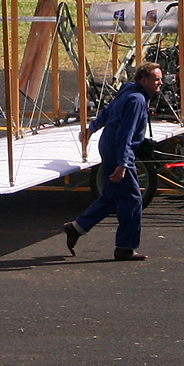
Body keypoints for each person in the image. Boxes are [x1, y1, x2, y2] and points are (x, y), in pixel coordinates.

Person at [64, 62, 163, 261]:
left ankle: (76, 228)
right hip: (117, 150)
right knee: (133, 200)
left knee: (110, 197)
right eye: (156, 80)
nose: (160, 83)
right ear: (143, 80)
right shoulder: (136, 101)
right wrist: (123, 164)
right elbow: (125, 135)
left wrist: (93, 128)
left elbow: (109, 111)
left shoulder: (128, 90)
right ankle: (125, 248)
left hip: (109, 147)